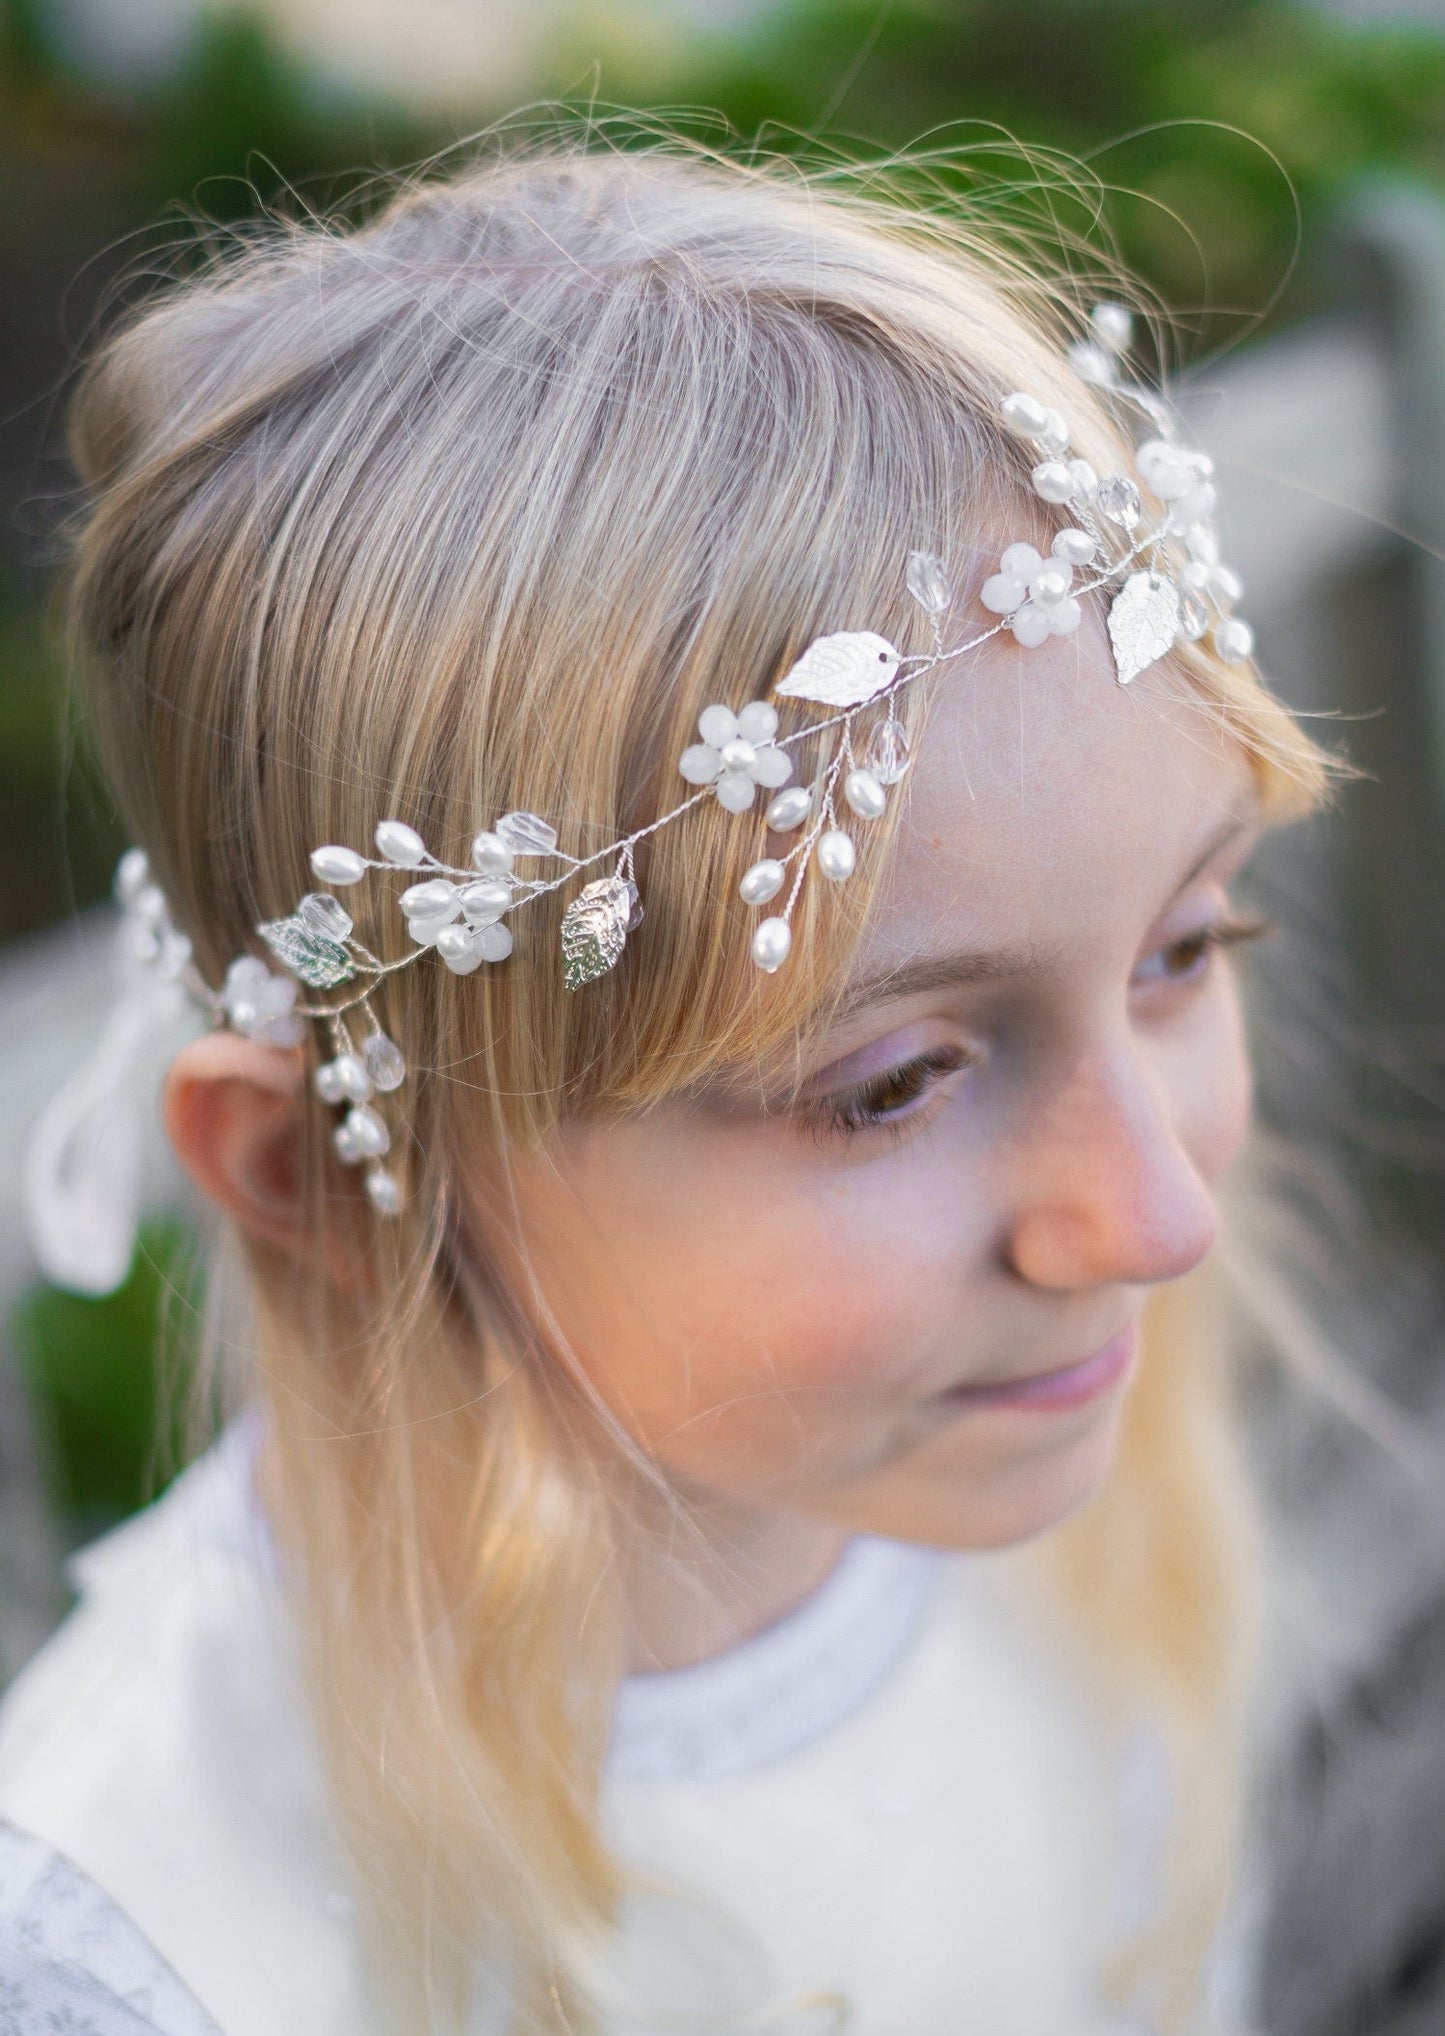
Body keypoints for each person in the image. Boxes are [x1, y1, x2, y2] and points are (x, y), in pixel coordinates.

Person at [0, 130, 1342, 2036]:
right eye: (888, 1083)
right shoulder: (141, 1944)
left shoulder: (1087, 1527)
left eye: (1184, 950)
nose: (1156, 1218)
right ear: (316, 1174)